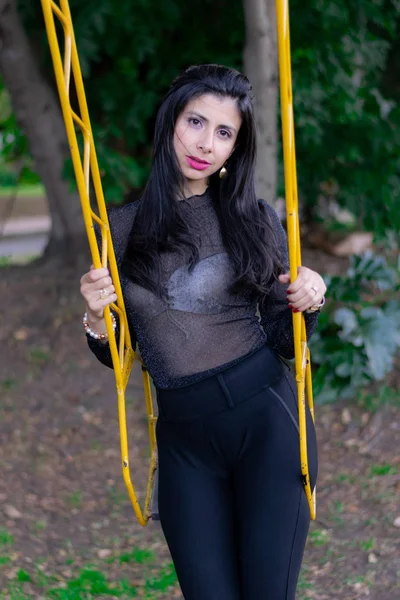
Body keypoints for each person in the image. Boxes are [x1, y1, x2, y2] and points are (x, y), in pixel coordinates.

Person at [79, 64, 326, 600]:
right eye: (196, 122)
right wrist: (97, 318)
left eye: (224, 133)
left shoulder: (251, 218)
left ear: (236, 148)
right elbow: (124, 355)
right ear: (171, 121)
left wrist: (308, 298)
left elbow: (287, 342)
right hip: (185, 442)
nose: (205, 144)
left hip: (267, 424)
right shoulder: (116, 230)